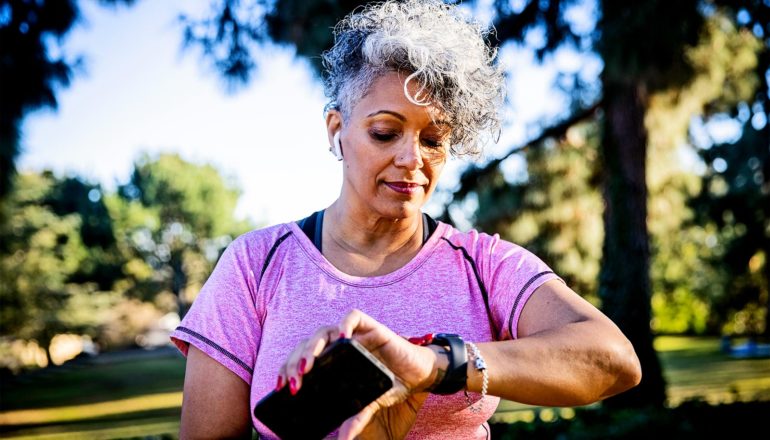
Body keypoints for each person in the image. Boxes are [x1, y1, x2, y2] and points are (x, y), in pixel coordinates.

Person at [170, 1, 642, 438]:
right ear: (337, 130)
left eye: (434, 140)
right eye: (385, 132)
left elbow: (613, 360)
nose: (411, 158)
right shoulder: (256, 265)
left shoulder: (483, 264)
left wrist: (435, 365)